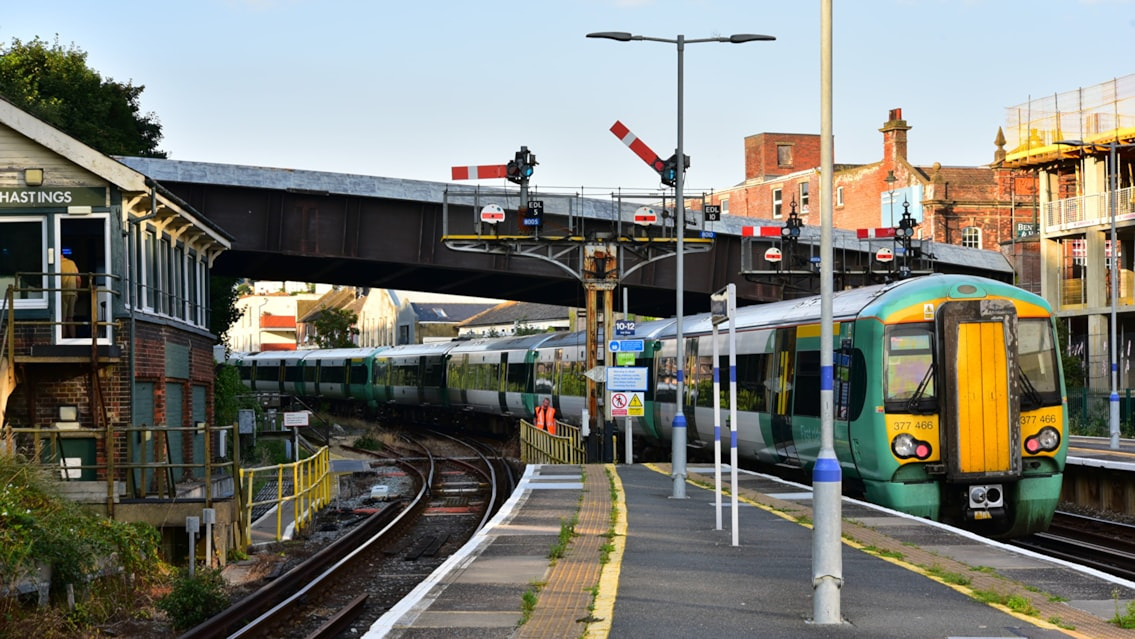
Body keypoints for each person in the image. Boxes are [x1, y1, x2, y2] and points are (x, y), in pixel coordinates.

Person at [60, 253, 80, 337]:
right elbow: (78, 279)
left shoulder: (57, 265)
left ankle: (62, 340)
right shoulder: (72, 263)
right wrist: (77, 292)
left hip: (62, 293)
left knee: (62, 320)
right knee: (70, 318)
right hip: (72, 293)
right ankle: (73, 339)